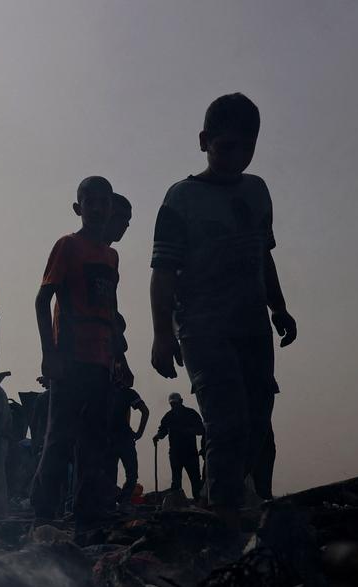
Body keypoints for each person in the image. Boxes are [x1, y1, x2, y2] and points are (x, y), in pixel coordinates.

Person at [149, 93, 297, 527]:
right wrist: (161, 334)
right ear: (204, 142)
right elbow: (163, 272)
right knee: (226, 420)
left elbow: (262, 255)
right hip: (202, 328)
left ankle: (255, 508)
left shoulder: (257, 191)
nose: (238, 157)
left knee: (258, 422)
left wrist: (280, 308)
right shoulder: (180, 199)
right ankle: (223, 515)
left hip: (252, 325)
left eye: (248, 147)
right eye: (226, 146)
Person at [31, 176, 131, 528]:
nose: (99, 208)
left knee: (95, 441)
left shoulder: (111, 256)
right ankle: (43, 512)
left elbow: (111, 311)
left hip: (101, 360)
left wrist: (120, 358)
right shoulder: (68, 246)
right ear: (79, 207)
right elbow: (44, 300)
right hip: (71, 357)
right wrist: (50, 353)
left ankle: (87, 513)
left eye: (105, 202)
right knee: (59, 436)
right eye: (92, 201)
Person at [152, 392, 205, 499]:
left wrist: (190, 431)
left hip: (190, 454)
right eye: (172, 404)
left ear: (181, 401)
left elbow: (201, 430)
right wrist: (157, 436)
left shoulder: (191, 414)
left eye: (176, 404)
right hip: (175, 454)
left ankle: (199, 504)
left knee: (195, 481)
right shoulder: (168, 416)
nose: (174, 406)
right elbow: (162, 431)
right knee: (176, 482)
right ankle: (177, 505)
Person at [108, 380, 149, 502]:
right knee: (131, 475)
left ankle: (116, 501)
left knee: (109, 475)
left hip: (110, 440)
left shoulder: (104, 391)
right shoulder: (128, 393)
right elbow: (145, 411)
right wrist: (139, 432)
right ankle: (122, 500)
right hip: (124, 438)